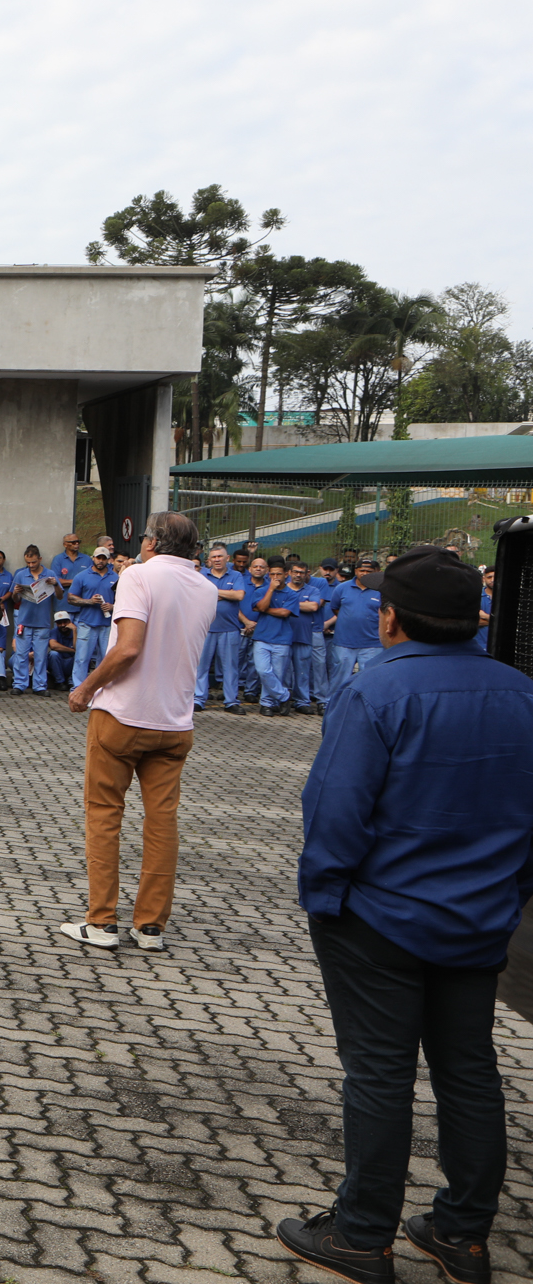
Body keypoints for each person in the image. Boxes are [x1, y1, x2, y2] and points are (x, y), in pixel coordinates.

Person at [278, 546, 533, 1284]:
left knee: (380, 1075)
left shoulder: (375, 691)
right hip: (481, 922)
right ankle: (462, 1234)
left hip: (378, 921)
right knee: (468, 1071)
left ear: (387, 616)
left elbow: (334, 812)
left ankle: (361, 1236)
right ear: (474, 617)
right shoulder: (522, 695)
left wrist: (324, 898)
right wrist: (509, 896)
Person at [61, 511, 217, 952]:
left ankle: (102, 921)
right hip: (175, 722)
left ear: (150, 542)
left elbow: (128, 648)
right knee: (162, 821)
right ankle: (150, 926)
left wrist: (86, 688)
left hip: (123, 715)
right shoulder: (206, 588)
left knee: (104, 813)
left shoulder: (139, 577)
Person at [192, 543, 247, 713]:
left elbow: (239, 595)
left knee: (230, 667)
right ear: (209, 560)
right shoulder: (202, 574)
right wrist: (226, 593)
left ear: (227, 558)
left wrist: (213, 592)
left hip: (230, 629)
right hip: (205, 628)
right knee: (201, 666)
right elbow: (197, 596)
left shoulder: (236, 575)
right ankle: (198, 699)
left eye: (220, 556)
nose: (217, 560)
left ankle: (231, 701)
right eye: (214, 557)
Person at [326, 560, 385, 705]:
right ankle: (332, 704)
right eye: (361, 570)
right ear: (356, 571)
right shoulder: (342, 588)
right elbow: (335, 608)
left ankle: (367, 706)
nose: (364, 574)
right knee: (339, 677)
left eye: (368, 571)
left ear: (375, 572)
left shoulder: (381, 590)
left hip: (372, 643)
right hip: (344, 642)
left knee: (369, 678)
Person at [248, 557, 301, 716]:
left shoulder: (291, 594)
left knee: (276, 674)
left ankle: (267, 704)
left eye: (279, 574)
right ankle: (284, 696)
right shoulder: (262, 590)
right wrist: (270, 590)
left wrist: (264, 610)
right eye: (272, 574)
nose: (275, 578)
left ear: (286, 574)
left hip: (282, 639)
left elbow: (285, 613)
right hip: (262, 637)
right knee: (263, 671)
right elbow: (260, 606)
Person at [67, 546, 118, 687]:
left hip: (107, 624)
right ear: (93, 558)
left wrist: (113, 606)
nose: (100, 561)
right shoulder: (82, 576)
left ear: (108, 560)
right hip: (86, 623)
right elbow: (70, 598)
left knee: (106, 658)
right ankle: (78, 687)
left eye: (104, 558)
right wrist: (89, 601)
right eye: (98, 558)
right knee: (82, 658)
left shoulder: (116, 578)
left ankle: (102, 689)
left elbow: (124, 600)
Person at [9, 546, 57, 694]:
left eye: (34, 562)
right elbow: (14, 599)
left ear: (40, 559)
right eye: (28, 563)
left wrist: (55, 584)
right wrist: (16, 593)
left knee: (41, 656)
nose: (31, 565)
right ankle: (19, 684)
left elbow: (60, 596)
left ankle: (40, 686)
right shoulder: (21, 575)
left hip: (42, 622)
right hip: (24, 620)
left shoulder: (50, 574)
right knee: (21, 655)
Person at [291, 558, 331, 714]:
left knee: (319, 665)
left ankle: (322, 700)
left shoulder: (319, 584)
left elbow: (315, 605)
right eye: (296, 572)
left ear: (308, 572)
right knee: (296, 667)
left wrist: (288, 603)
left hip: (314, 630)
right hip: (292, 630)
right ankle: (299, 699)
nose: (299, 575)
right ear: (290, 573)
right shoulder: (286, 586)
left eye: (302, 572)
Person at [46, 616, 77, 692]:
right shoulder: (54, 631)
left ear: (70, 622)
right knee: (53, 654)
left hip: (70, 663)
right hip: (58, 663)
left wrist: (75, 630)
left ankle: (72, 681)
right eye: (59, 623)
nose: (63, 625)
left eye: (65, 622)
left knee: (80, 655)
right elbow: (53, 646)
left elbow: (78, 648)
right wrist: (72, 650)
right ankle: (60, 682)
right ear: (56, 624)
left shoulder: (76, 630)